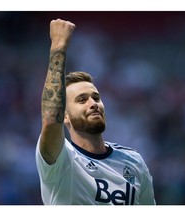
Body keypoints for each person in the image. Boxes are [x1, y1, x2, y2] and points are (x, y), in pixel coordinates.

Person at [35, 18, 156, 205]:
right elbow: (51, 120)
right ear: (64, 115)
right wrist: (58, 48)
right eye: (82, 100)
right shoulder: (61, 160)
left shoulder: (134, 162)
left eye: (96, 97)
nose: (93, 103)